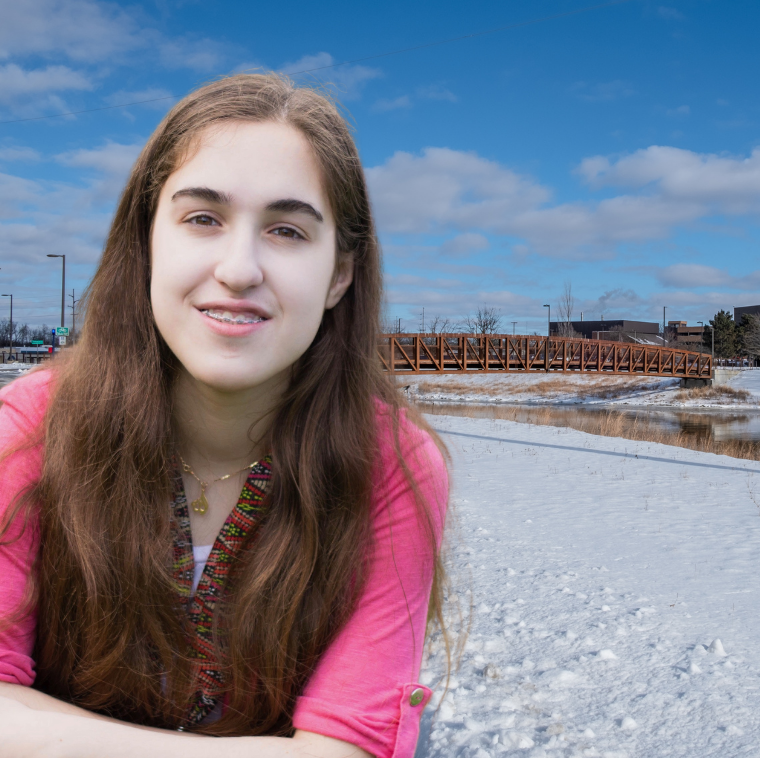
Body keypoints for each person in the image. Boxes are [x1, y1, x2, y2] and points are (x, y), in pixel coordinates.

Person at [0, 74, 450, 758]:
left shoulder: (391, 461)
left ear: (340, 275)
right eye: (203, 218)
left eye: (287, 230)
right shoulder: (31, 422)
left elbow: (345, 747)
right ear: (147, 243)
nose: (239, 269)